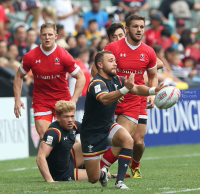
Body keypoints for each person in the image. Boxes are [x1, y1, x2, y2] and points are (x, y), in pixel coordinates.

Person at [81, 50, 165, 189]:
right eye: (111, 61)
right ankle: (102, 175)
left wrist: (153, 91)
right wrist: (125, 89)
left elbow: (136, 88)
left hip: (108, 126)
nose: (115, 63)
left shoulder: (116, 79)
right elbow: (105, 99)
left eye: (115, 60)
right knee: (93, 178)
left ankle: (120, 182)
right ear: (100, 65)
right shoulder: (96, 83)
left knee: (128, 140)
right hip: (91, 133)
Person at [92, 21, 163, 178]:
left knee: (137, 141)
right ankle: (95, 167)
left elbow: (154, 72)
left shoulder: (148, 51)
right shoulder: (112, 50)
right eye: (135, 26)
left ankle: (134, 165)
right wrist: (110, 89)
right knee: (117, 138)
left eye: (141, 27)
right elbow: (95, 70)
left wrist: (151, 94)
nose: (139, 30)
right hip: (114, 98)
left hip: (137, 98)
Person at [13, 23, 86, 139]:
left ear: (56, 36)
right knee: (47, 137)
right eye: (44, 35)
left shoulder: (64, 55)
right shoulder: (30, 56)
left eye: (50, 34)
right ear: (40, 36)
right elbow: (18, 76)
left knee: (67, 139)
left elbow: (81, 77)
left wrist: (74, 100)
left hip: (62, 99)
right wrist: (17, 99)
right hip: (41, 100)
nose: (47, 37)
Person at [36, 100, 88, 182]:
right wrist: (50, 180)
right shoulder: (53, 132)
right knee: (100, 174)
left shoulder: (74, 125)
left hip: (70, 160)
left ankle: (88, 166)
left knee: (92, 142)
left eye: (72, 116)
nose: (70, 120)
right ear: (58, 118)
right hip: (63, 173)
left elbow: (91, 134)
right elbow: (40, 157)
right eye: (66, 117)